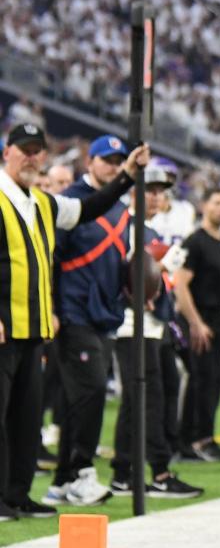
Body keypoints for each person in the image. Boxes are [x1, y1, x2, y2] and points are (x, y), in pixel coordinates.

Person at [1, 124, 146, 521]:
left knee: (26, 418)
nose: (31, 157)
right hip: (4, 325)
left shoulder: (44, 203)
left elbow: (89, 208)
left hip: (33, 327)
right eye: (24, 149)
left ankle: (17, 493)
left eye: (38, 151)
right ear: (7, 151)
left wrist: (126, 177)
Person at [46, 135, 153, 507]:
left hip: (105, 314)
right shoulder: (73, 201)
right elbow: (52, 258)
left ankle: (63, 478)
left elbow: (120, 259)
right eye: (106, 160)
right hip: (73, 313)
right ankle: (81, 472)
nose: (112, 165)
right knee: (89, 393)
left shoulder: (121, 209)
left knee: (83, 397)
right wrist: (54, 310)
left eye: (118, 160)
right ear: (90, 161)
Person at [110, 164, 202, 498]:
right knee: (151, 398)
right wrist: (153, 276)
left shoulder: (146, 229)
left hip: (151, 324)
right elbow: (124, 275)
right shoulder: (128, 228)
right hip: (134, 325)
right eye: (149, 189)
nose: (156, 196)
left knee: (137, 401)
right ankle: (160, 471)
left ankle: (122, 470)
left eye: (160, 191)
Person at [174, 188, 220, 462]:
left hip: (216, 319)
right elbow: (180, 285)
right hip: (197, 317)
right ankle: (191, 440)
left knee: (214, 381)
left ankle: (206, 437)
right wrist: (195, 323)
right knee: (199, 379)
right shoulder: (194, 242)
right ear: (204, 206)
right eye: (216, 202)